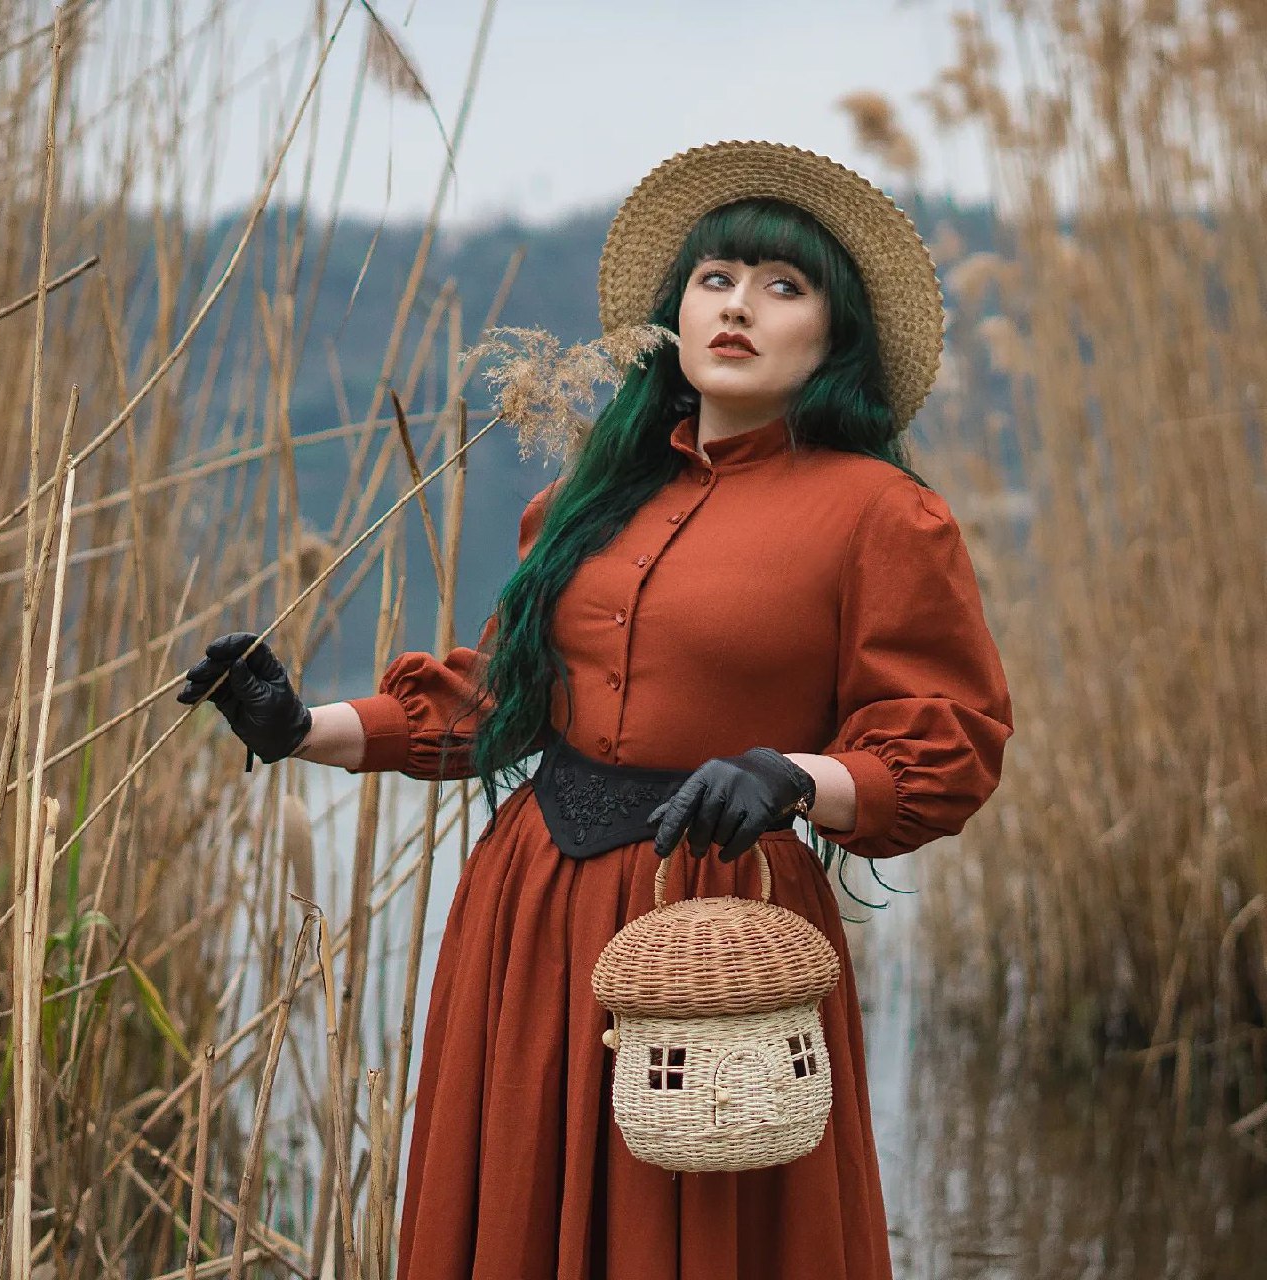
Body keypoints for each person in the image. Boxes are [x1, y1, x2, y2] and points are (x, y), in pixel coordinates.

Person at [179, 141, 1014, 1280]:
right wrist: (297, 725)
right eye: (716, 278)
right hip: (531, 909)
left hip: (718, 918)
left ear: (834, 335)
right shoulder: (588, 495)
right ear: (675, 309)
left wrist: (789, 774)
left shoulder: (882, 514)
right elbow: (507, 699)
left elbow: (945, 744)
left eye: (783, 287)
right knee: (516, 1208)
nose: (738, 308)